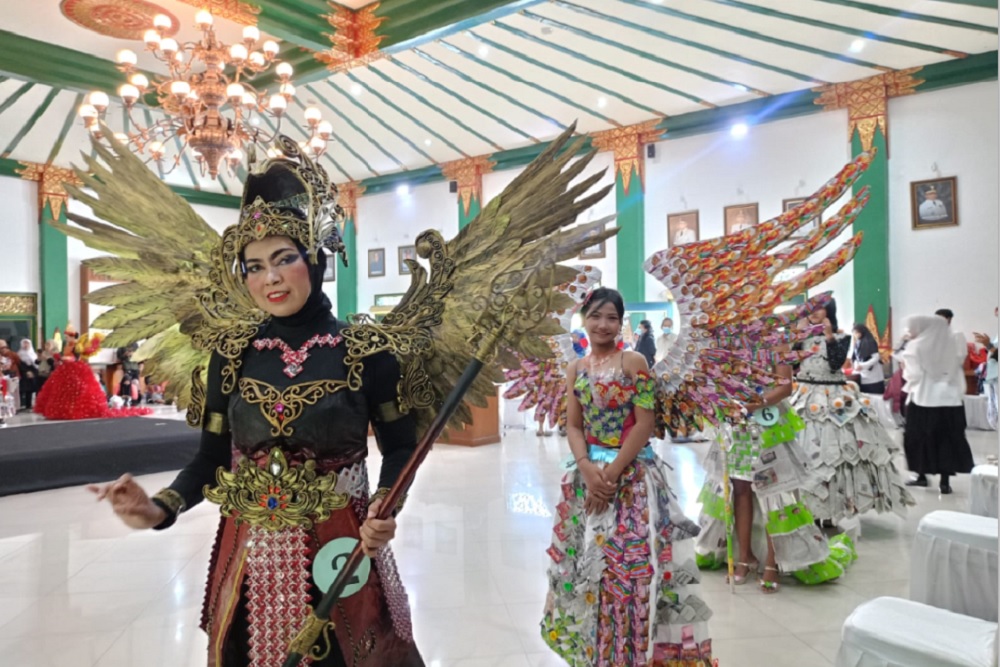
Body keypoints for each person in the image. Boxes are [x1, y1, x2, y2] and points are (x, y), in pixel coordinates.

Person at [87, 153, 424, 665]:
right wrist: (159, 508)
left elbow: (402, 446)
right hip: (249, 557)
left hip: (343, 548)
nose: (271, 278)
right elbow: (211, 460)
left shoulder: (364, 350)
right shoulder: (232, 354)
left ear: (314, 258)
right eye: (254, 266)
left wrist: (384, 507)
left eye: (285, 258)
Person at [541, 288, 716, 665]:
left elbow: (645, 424)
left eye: (611, 318)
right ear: (584, 319)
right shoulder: (576, 368)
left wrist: (610, 475)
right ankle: (596, 653)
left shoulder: (634, 362)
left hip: (633, 480)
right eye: (596, 316)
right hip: (586, 477)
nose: (603, 325)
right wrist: (587, 469)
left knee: (630, 574)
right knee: (588, 567)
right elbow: (573, 425)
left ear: (621, 323)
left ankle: (631, 655)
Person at [695, 344, 831, 594]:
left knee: (774, 493)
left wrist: (752, 405)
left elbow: (785, 386)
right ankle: (745, 557)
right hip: (737, 426)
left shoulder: (774, 341)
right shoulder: (727, 340)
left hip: (768, 426)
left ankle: (773, 562)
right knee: (740, 489)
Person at [789, 299, 914, 523]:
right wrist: (796, 338)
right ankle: (805, 506)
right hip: (804, 396)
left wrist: (828, 336)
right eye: (811, 309)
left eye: (819, 308)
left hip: (833, 397)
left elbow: (836, 364)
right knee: (804, 451)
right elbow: (789, 363)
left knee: (836, 454)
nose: (814, 313)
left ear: (829, 311)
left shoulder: (841, 337)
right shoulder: (801, 338)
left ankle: (833, 508)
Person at [900, 315, 975, 494]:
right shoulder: (951, 346)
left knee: (920, 439)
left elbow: (914, 375)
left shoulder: (916, 346)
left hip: (924, 401)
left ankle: (922, 476)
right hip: (951, 402)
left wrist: (905, 369)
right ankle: (945, 483)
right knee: (946, 441)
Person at [850, 324, 885, 394]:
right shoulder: (858, 342)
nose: (855, 335)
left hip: (874, 376)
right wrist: (856, 365)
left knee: (875, 397)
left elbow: (876, 357)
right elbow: (855, 357)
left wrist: (863, 365)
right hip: (863, 375)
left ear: (861, 332)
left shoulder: (869, 341)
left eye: (856, 332)